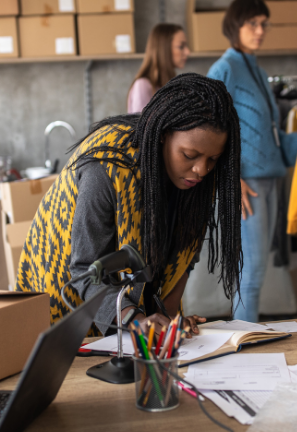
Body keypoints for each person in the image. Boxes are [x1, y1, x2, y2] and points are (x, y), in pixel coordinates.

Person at [18, 73, 243, 337]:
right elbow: (84, 271)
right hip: (63, 308)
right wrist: (135, 320)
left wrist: (168, 322)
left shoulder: (197, 176)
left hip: (125, 308)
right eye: (190, 155)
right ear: (162, 136)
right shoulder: (106, 167)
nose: (202, 169)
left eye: (213, 159)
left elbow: (184, 256)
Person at [207, 0, 297, 323]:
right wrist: (229, 178)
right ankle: (241, 344)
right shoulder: (224, 68)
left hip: (271, 178)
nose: (260, 30)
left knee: (258, 267)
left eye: (264, 23)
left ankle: (244, 338)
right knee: (253, 268)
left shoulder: (258, 71)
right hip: (247, 183)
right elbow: (207, 130)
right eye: (253, 24)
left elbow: (270, 133)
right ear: (235, 26)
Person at [127, 24, 191, 113]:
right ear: (164, 48)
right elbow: (141, 125)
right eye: (181, 46)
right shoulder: (142, 85)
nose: (188, 52)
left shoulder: (173, 83)